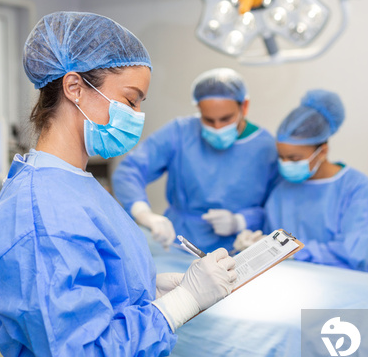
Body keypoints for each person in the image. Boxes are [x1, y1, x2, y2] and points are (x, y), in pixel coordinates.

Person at [0, 11, 237, 357]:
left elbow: (90, 288)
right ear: (74, 86)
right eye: (130, 100)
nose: (135, 114)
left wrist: (148, 291)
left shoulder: (79, 185)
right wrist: (179, 305)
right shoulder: (40, 212)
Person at [111, 68, 278, 254]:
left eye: (226, 119)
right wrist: (144, 214)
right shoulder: (180, 132)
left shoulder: (266, 147)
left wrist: (241, 221)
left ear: (244, 107)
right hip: (179, 244)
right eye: (208, 120)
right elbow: (130, 170)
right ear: (199, 109)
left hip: (238, 250)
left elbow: (277, 205)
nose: (217, 127)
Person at [259, 89, 368, 272]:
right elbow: (269, 230)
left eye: (294, 159)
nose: (285, 164)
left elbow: (354, 255)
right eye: (281, 157)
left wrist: (294, 252)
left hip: (344, 288)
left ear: (323, 151)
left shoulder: (356, 187)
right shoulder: (282, 190)